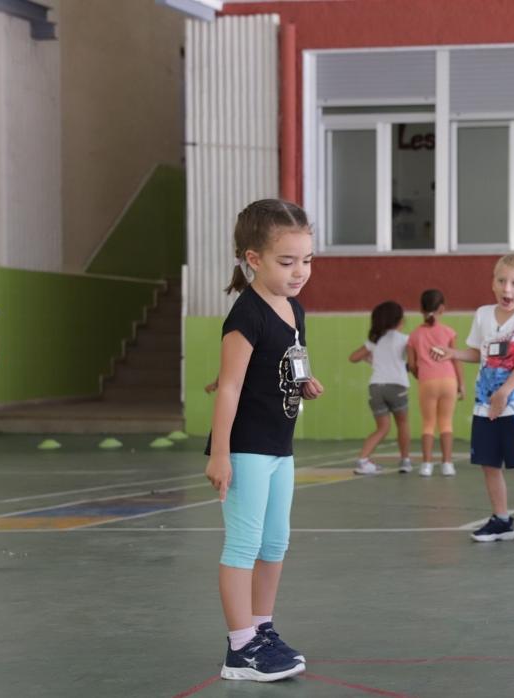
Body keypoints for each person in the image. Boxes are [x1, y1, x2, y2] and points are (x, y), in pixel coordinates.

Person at [204, 199, 324, 682]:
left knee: (275, 541)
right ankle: (240, 648)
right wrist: (219, 454)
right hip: (246, 447)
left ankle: (261, 628)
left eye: (308, 260)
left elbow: (291, 358)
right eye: (287, 261)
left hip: (280, 446)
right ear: (253, 259)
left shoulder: (292, 308)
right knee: (244, 544)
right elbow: (229, 386)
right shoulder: (245, 315)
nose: (300, 272)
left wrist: (305, 380)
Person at [431, 253, 514, 544]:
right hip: (485, 405)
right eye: (502, 281)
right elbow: (478, 353)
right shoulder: (483, 315)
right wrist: (452, 353)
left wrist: (506, 391)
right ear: (493, 284)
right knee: (488, 463)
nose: (508, 289)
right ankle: (501, 519)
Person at [349, 301, 412, 475]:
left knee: (382, 428)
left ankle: (363, 460)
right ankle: (405, 461)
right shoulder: (405, 339)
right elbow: (412, 362)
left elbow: (353, 357)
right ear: (400, 320)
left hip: (376, 387)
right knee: (403, 423)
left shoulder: (374, 341)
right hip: (397, 386)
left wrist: (370, 359)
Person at [406, 289, 462, 477]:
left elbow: (412, 364)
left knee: (428, 424)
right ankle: (447, 464)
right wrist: (461, 384)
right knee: (446, 423)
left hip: (427, 381)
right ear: (442, 309)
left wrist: (418, 375)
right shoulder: (448, 332)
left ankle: (426, 465)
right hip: (448, 380)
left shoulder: (414, 336)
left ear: (420, 309)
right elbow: (455, 359)